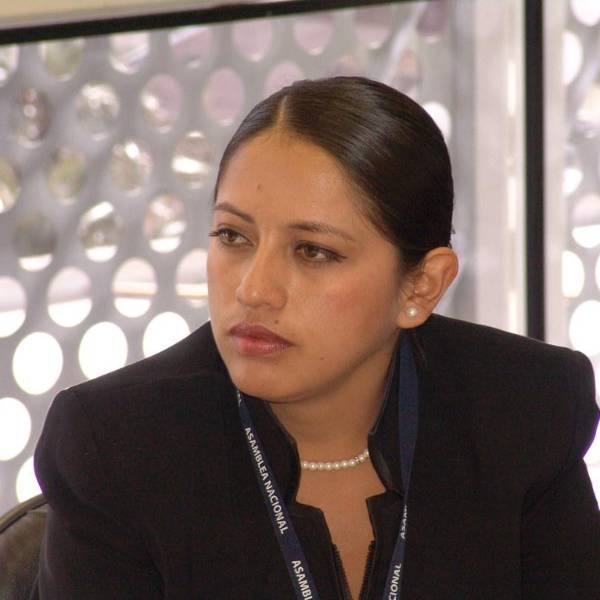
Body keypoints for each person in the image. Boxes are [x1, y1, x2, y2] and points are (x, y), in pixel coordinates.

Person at [31, 76, 598, 599]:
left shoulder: (524, 407)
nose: (254, 290)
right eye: (232, 236)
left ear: (422, 286)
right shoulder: (117, 447)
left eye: (314, 251)